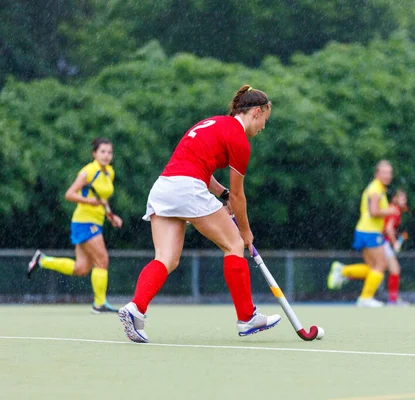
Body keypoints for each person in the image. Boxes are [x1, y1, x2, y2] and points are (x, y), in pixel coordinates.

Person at [118, 85, 281, 343]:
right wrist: (246, 231)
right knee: (235, 244)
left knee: (166, 258)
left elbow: (200, 168)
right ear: (256, 112)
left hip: (164, 187)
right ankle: (247, 317)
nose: (262, 128)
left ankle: (135, 309)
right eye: (264, 121)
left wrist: (222, 195)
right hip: (188, 189)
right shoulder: (239, 140)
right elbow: (239, 196)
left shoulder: (212, 122)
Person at [26, 137, 123, 313]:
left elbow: (102, 199)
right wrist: (88, 201)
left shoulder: (109, 172)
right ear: (94, 153)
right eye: (102, 151)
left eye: (109, 152)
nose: (107, 155)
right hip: (84, 221)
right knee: (102, 261)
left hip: (96, 221)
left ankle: (43, 260)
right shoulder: (88, 172)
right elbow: (69, 194)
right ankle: (99, 304)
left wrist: (111, 216)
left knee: (82, 268)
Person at [327, 160, 400, 307]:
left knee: (373, 267)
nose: (387, 175)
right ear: (377, 174)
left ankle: (343, 270)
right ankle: (365, 298)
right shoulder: (376, 189)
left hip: (364, 230)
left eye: (389, 173)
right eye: (384, 172)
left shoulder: (377, 188)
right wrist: (390, 211)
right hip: (370, 232)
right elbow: (374, 212)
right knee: (381, 264)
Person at [382, 189, 410, 306]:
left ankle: (393, 299)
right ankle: (392, 300)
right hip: (383, 243)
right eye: (402, 198)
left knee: (379, 269)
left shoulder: (392, 208)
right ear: (395, 198)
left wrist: (397, 237)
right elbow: (388, 229)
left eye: (405, 198)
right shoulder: (395, 210)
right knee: (394, 269)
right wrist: (395, 243)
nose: (404, 200)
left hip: (382, 242)